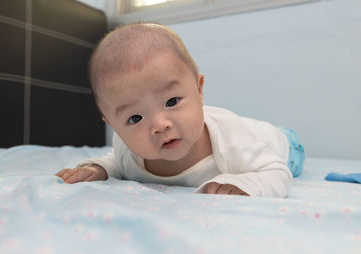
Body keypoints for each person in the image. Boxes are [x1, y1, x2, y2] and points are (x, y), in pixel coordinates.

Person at [56, 23, 305, 197]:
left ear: (199, 90)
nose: (159, 124)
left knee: (283, 150)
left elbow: (276, 172)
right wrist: (97, 169)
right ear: (112, 125)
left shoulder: (231, 140)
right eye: (135, 118)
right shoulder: (127, 149)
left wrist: (246, 183)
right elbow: (117, 163)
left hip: (281, 145)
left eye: (172, 101)